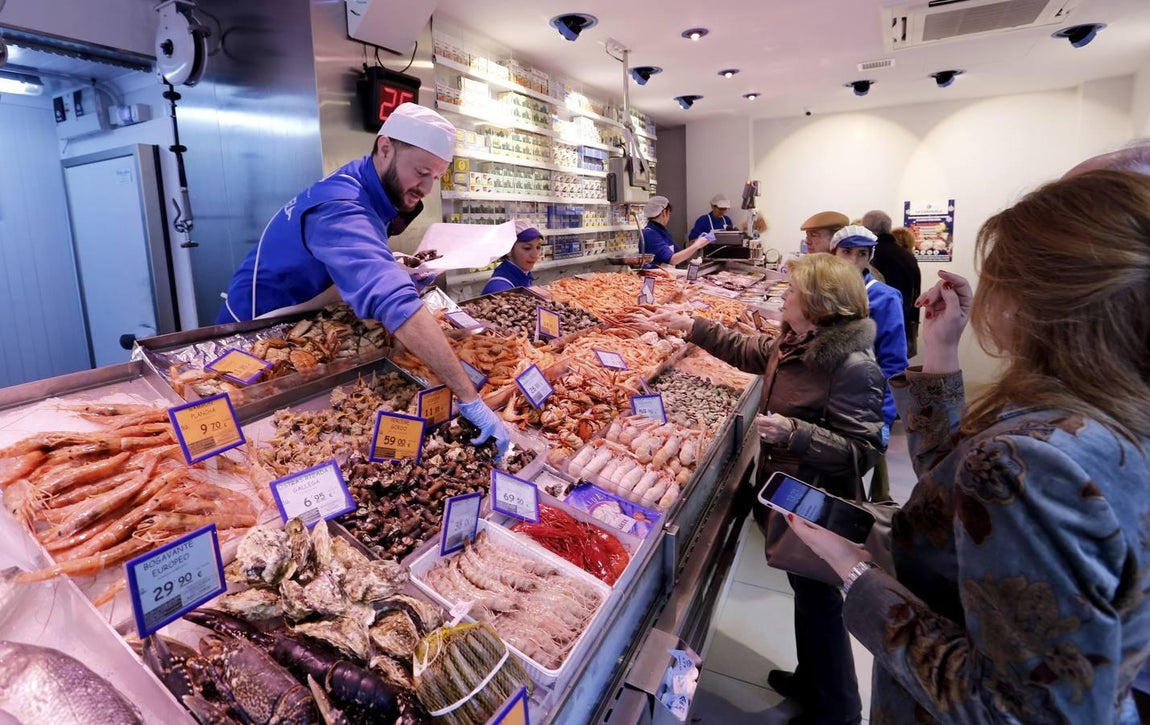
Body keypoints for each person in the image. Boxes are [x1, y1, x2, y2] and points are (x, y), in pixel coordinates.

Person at [790, 170, 1150, 723]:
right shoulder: (1112, 406)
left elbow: (1019, 709)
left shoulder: (1037, 461)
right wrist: (940, 354)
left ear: (1036, 298)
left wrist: (855, 573)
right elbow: (961, 498)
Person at [654, 254, 884, 725]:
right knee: (806, 592)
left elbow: (863, 450)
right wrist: (690, 324)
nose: (783, 295)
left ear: (819, 304)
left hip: (817, 501)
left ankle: (838, 710)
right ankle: (811, 678)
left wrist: (795, 434)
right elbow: (748, 350)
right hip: (787, 490)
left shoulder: (852, 365)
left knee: (820, 598)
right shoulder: (795, 341)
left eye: (793, 292)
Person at [215, 102, 509, 455]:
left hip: (306, 323)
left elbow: (352, 259)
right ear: (385, 148)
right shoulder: (341, 204)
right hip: (256, 335)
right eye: (421, 172)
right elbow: (394, 302)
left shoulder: (368, 186)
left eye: (436, 177)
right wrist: (468, 396)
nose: (427, 189)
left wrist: (394, 263)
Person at [830, 226, 907, 445]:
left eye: (862, 254)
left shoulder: (884, 298)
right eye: (846, 252)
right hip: (823, 406)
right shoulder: (824, 293)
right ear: (834, 254)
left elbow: (894, 365)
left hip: (862, 410)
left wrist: (884, 420)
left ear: (869, 257)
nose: (853, 261)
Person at [863, 210, 921, 358]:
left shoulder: (871, 255)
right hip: (904, 324)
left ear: (867, 229)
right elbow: (916, 293)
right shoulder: (908, 256)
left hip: (877, 328)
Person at [641, 195, 711, 267]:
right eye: (669, 214)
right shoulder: (650, 234)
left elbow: (680, 254)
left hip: (666, 275)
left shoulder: (662, 231)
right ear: (664, 212)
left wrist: (696, 243)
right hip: (655, 276)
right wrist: (697, 245)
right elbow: (673, 259)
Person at [482, 221, 543, 295]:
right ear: (508, 250)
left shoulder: (524, 276)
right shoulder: (500, 289)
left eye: (538, 247)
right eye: (527, 248)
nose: (535, 255)